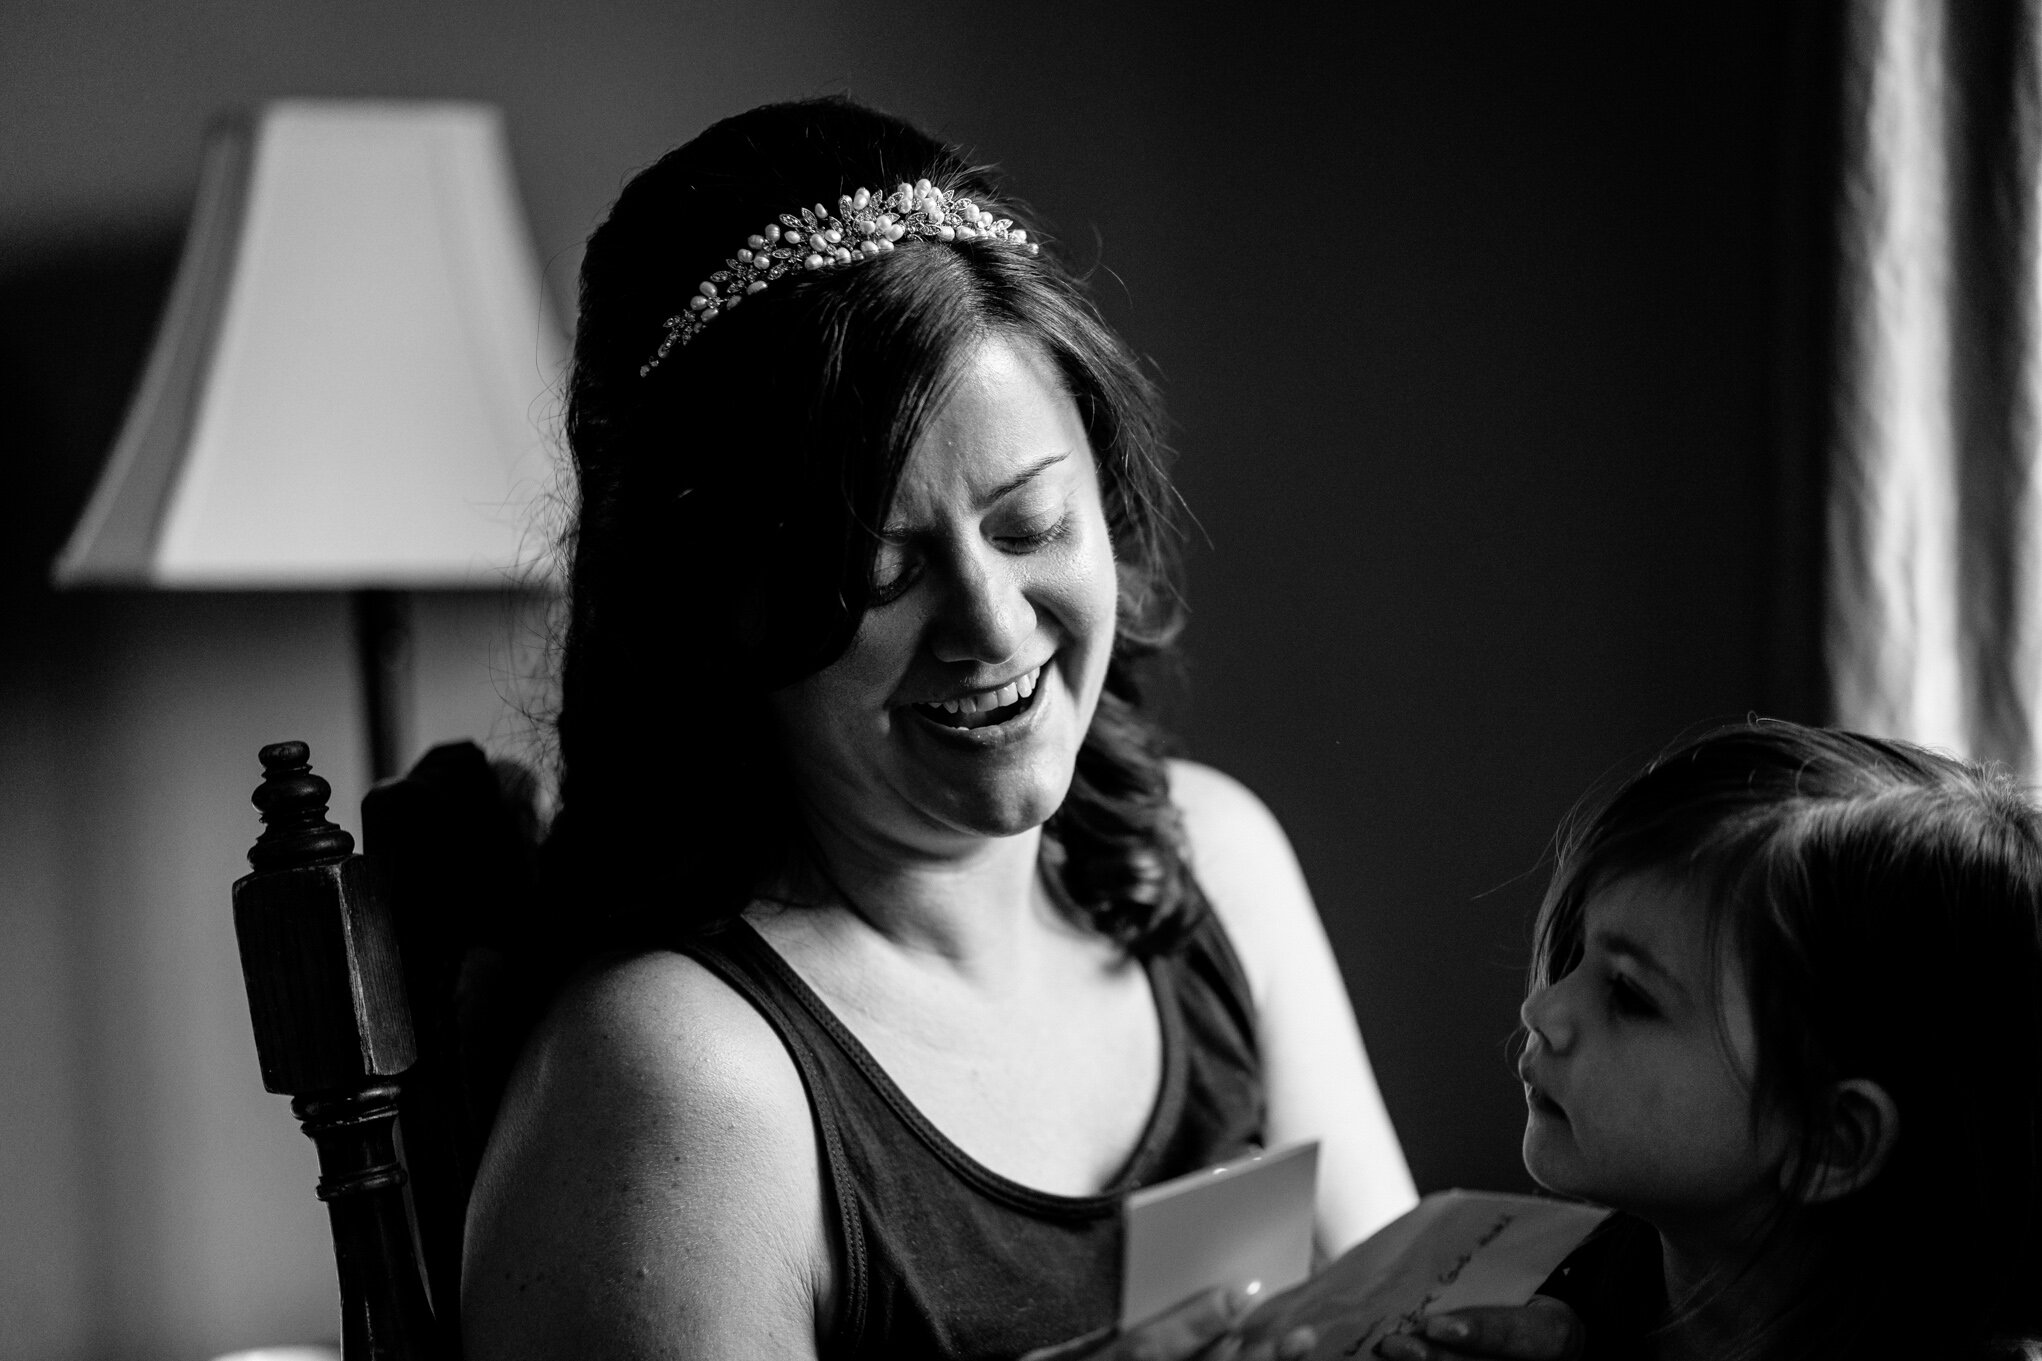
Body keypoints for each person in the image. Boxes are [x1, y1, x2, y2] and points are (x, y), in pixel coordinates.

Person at [460, 96, 1446, 1360]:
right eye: (881, 568)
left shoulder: (1221, 863)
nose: (989, 624)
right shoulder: (685, 1078)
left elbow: (1405, 1309)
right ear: (717, 609)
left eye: (1030, 525)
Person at [1387, 720, 2042, 1360]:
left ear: (1832, 1139)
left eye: (1630, 995)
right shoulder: (1549, 1289)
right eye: (1577, 953)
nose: (1542, 1008)